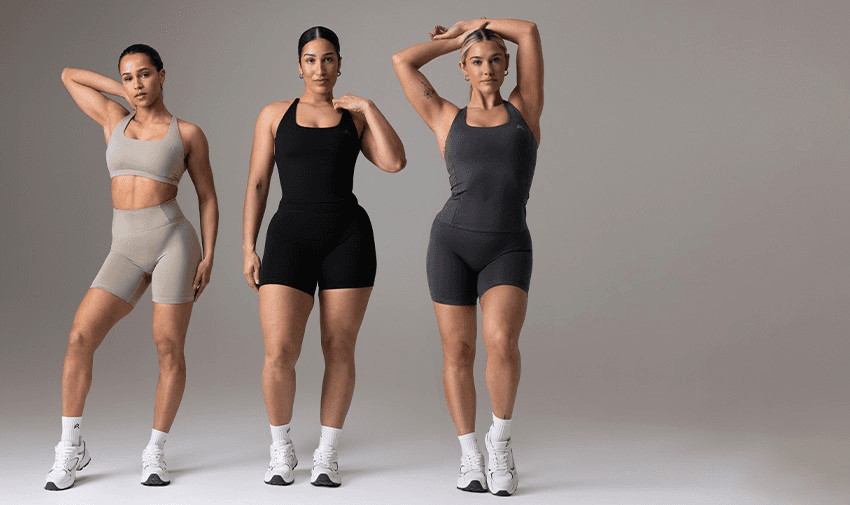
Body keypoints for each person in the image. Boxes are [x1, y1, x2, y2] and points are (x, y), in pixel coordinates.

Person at [46, 44, 218, 490]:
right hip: (123, 246)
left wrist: (210, 255)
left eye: (145, 75)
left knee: (167, 346)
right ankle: (70, 448)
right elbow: (68, 73)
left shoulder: (188, 133)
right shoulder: (112, 120)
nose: (138, 84)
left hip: (173, 243)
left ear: (163, 75)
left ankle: (155, 451)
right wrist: (122, 96)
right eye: (128, 77)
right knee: (80, 336)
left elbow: (207, 197)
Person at [243, 26, 405, 487]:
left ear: (339, 64)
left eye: (328, 59)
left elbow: (395, 162)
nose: (320, 68)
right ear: (299, 66)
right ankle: (281, 448)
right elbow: (258, 184)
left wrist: (370, 108)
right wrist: (247, 245)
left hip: (347, 236)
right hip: (289, 236)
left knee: (339, 348)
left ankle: (328, 453)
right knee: (280, 351)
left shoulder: (354, 116)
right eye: (311, 60)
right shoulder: (274, 114)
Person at [392, 18, 543, 496]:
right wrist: (459, 40)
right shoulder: (444, 116)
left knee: (501, 342)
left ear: (507, 65)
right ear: (463, 67)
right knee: (457, 351)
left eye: (496, 59)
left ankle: (500, 442)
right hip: (451, 243)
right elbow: (402, 61)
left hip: (507, 244)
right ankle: (470, 456)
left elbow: (531, 31)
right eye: (477, 62)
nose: (488, 68)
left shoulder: (526, 108)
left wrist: (480, 24)